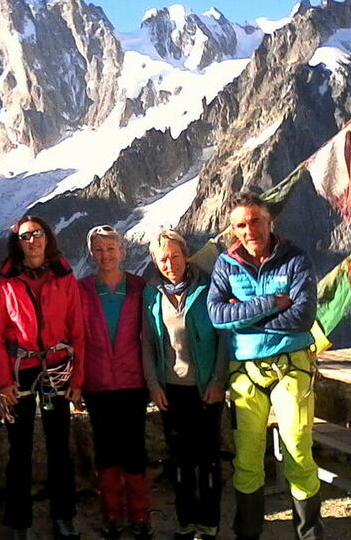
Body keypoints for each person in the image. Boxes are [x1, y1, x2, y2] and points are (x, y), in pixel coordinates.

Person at [207, 192, 323, 540]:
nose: (249, 229)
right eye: (241, 224)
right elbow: (216, 315)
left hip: (292, 365)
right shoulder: (226, 264)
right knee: (247, 457)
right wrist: (271, 302)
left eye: (256, 220)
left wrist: (243, 318)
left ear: (270, 221)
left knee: (298, 450)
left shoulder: (296, 259)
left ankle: (310, 534)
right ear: (233, 230)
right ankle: (248, 533)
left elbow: (302, 317)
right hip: (246, 372)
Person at [0, 214, 85, 540]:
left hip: (56, 369)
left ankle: (64, 517)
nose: (33, 241)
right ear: (18, 243)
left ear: (47, 237)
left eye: (38, 234)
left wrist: (77, 378)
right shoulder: (7, 280)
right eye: (26, 237)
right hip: (20, 372)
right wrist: (2, 382)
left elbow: (77, 329)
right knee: (19, 449)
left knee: (60, 446)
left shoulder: (64, 275)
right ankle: (19, 522)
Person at [142, 229, 227, 540]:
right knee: (179, 458)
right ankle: (185, 521)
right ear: (155, 261)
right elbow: (148, 342)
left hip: (205, 387)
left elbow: (222, 336)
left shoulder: (208, 287)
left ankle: (208, 522)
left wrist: (219, 380)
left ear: (185, 255)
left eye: (175, 256)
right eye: (162, 258)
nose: (170, 263)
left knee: (207, 457)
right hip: (170, 387)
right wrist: (153, 384)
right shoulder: (151, 293)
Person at [77, 225, 152, 540]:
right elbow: (75, 338)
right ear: (91, 254)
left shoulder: (140, 288)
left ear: (123, 251)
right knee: (105, 451)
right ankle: (111, 516)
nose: (105, 255)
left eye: (111, 248)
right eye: (98, 249)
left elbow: (152, 337)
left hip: (133, 381)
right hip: (97, 384)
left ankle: (140, 516)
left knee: (135, 451)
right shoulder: (80, 290)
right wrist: (76, 382)